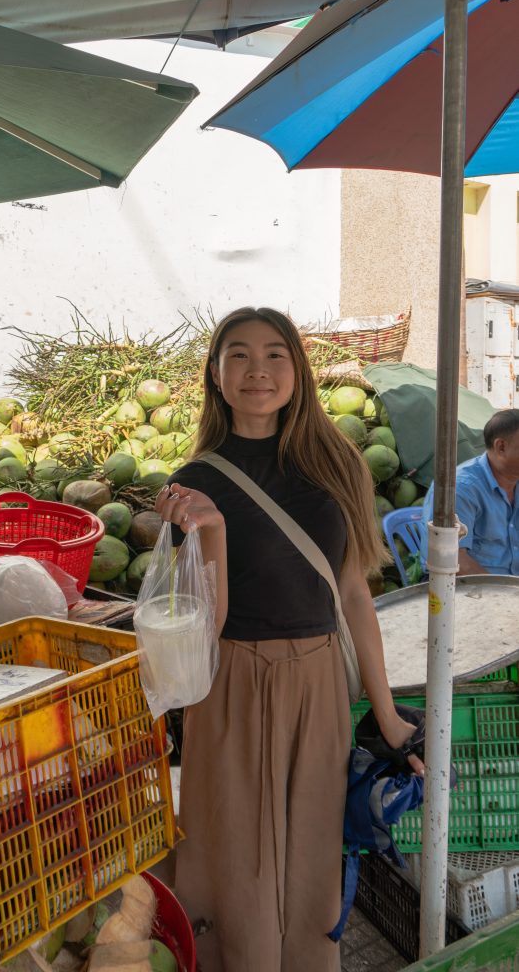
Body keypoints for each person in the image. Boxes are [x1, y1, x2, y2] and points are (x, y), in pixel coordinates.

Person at [155, 306, 422, 972]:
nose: (257, 371)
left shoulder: (334, 462)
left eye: (275, 355)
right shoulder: (195, 485)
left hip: (317, 683)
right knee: (234, 848)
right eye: (237, 355)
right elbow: (201, 633)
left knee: (309, 842)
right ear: (215, 376)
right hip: (229, 686)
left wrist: (386, 715)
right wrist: (208, 531)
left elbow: (354, 594)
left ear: (297, 373)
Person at [421, 408, 519, 575]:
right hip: (463, 590)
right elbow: (453, 560)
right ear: (501, 447)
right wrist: (503, 597)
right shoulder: (460, 488)